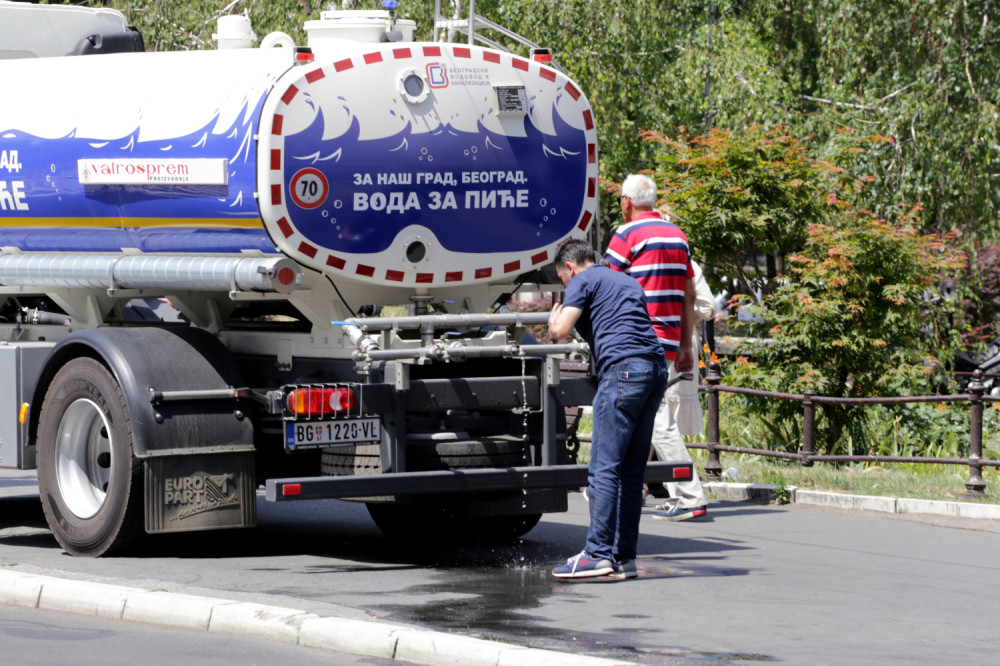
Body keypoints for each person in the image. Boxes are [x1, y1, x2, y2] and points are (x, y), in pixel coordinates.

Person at [547, 239, 668, 580]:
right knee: (631, 473)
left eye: (563, 280)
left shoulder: (583, 280)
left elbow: (560, 330)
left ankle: (596, 554)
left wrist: (553, 316)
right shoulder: (626, 281)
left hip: (623, 373)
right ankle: (623, 556)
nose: (567, 287)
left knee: (603, 470)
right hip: (654, 370)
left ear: (569, 268)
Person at [605, 173, 706, 521]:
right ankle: (625, 486)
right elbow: (688, 294)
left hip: (634, 339)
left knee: (655, 416)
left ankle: (691, 495)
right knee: (646, 413)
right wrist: (685, 344)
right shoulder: (679, 236)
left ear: (627, 202)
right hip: (666, 339)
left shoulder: (626, 235)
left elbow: (606, 286)